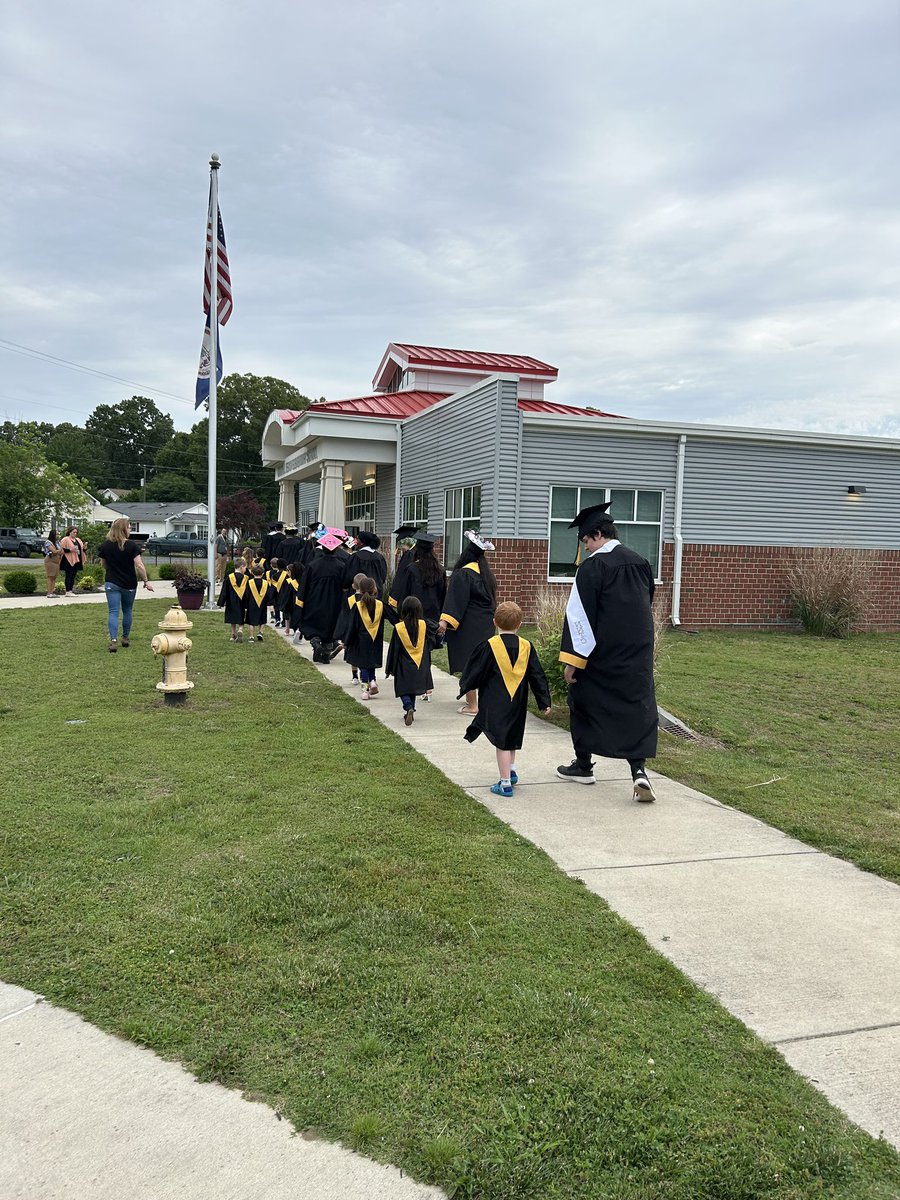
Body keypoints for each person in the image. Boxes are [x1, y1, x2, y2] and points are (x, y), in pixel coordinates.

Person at [556, 501, 659, 802]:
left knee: (583, 701)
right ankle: (638, 771)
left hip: (601, 653)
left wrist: (573, 661)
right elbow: (647, 601)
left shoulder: (593, 567)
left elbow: (580, 617)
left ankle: (584, 766)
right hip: (636, 652)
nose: (585, 547)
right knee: (635, 708)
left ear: (598, 535)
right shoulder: (640, 561)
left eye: (586, 541)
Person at [458, 601, 552, 797]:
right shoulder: (527, 646)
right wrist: (544, 701)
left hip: (494, 702)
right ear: (519, 625)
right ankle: (511, 770)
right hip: (517, 703)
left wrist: (465, 686)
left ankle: (505, 783)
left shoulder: (489, 646)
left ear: (495, 622)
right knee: (511, 738)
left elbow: (476, 671)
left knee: (501, 742)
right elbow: (537, 675)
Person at [438, 530, 497, 715]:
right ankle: (485, 703)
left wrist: (444, 622)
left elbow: (456, 601)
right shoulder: (486, 574)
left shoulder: (464, 574)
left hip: (468, 627)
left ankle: (473, 706)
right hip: (486, 626)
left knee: (468, 664)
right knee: (482, 664)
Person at [388, 531, 447, 701]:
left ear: (418, 551)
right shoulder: (440, 570)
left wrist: (401, 614)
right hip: (432, 618)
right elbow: (444, 595)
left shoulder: (412, 569)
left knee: (413, 650)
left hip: (414, 616)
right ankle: (427, 688)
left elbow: (405, 595)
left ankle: (420, 685)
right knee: (425, 650)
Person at [97, 518, 154, 652]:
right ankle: (125, 637)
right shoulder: (132, 546)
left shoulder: (105, 545)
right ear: (123, 529)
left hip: (111, 582)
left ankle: (113, 640)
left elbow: (103, 564)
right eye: (129, 527)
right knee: (127, 610)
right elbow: (139, 565)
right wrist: (146, 581)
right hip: (129, 583)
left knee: (113, 612)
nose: (130, 530)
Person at [297, 529, 348, 660]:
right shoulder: (341, 566)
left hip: (315, 599)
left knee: (313, 623)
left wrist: (301, 601)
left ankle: (315, 641)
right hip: (334, 601)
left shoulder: (313, 565)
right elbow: (345, 585)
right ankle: (326, 653)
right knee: (330, 625)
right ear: (335, 549)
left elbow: (304, 585)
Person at [385, 596, 436, 726]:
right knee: (412, 689)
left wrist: (390, 667)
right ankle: (411, 708)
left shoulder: (399, 628)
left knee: (404, 689)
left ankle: (408, 707)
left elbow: (394, 649)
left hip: (403, 665)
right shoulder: (424, 625)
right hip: (420, 665)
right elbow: (433, 640)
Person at [342, 576, 385, 700]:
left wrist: (346, 641)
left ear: (360, 591)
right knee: (371, 663)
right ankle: (373, 681)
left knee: (363, 666)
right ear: (375, 589)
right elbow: (394, 618)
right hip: (375, 641)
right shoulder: (380, 605)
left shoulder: (357, 606)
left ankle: (365, 690)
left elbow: (352, 627)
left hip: (360, 642)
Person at [344, 530, 387, 597]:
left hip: (359, 595)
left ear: (362, 542)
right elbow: (383, 577)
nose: (355, 542)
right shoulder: (380, 557)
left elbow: (348, 578)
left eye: (357, 539)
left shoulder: (356, 557)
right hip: (376, 595)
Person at [217, 559, 249, 642]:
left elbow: (224, 591)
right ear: (241, 567)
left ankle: (233, 634)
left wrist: (221, 602)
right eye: (245, 567)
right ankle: (240, 629)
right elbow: (248, 591)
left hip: (231, 601)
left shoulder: (229, 577)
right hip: (243, 601)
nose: (246, 569)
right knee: (241, 616)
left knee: (232, 618)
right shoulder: (246, 578)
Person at [244, 565, 269, 643]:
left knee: (252, 621)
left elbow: (246, 594)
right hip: (262, 603)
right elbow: (268, 594)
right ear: (263, 573)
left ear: (252, 573)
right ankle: (260, 632)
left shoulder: (249, 582)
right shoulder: (266, 583)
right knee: (262, 619)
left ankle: (251, 637)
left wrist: (245, 604)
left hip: (252, 604)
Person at [60, 526, 86, 596]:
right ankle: (67, 591)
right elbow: (61, 549)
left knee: (73, 575)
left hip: (77, 559)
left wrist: (85, 548)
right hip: (68, 559)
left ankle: (71, 590)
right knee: (69, 575)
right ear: (69, 532)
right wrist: (70, 550)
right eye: (73, 532)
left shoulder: (78, 540)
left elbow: (82, 549)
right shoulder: (66, 539)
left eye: (76, 532)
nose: (75, 534)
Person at [42, 528, 63, 597]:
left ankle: (52, 592)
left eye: (58, 534)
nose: (58, 536)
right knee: (50, 576)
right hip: (50, 561)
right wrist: (59, 551)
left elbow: (61, 551)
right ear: (53, 534)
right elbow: (54, 551)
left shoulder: (57, 542)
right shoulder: (48, 542)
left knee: (54, 577)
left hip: (57, 561)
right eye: (57, 534)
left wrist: (59, 551)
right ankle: (49, 592)